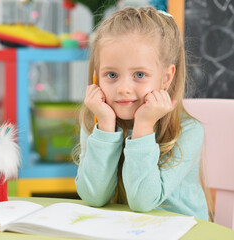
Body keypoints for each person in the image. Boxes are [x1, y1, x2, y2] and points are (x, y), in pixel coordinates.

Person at [74, 6, 211, 221]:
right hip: (126, 229)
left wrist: (144, 127)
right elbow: (94, 197)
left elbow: (142, 201)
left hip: (181, 231)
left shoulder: (188, 131)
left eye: (139, 74)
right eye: (111, 74)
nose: (123, 88)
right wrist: (106, 128)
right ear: (96, 77)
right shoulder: (98, 122)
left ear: (166, 78)